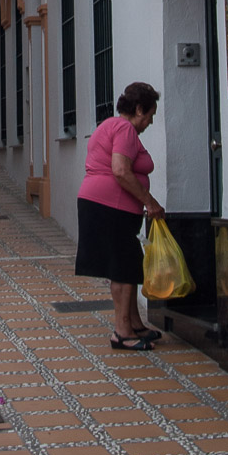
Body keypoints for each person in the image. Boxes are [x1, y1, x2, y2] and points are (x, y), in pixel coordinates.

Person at [75, 82, 165, 351]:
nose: (150, 122)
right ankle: (122, 332)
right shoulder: (125, 129)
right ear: (138, 109)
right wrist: (150, 202)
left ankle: (134, 323)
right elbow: (121, 170)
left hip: (102, 204)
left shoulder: (109, 125)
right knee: (123, 266)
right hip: (111, 206)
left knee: (128, 264)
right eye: (150, 115)